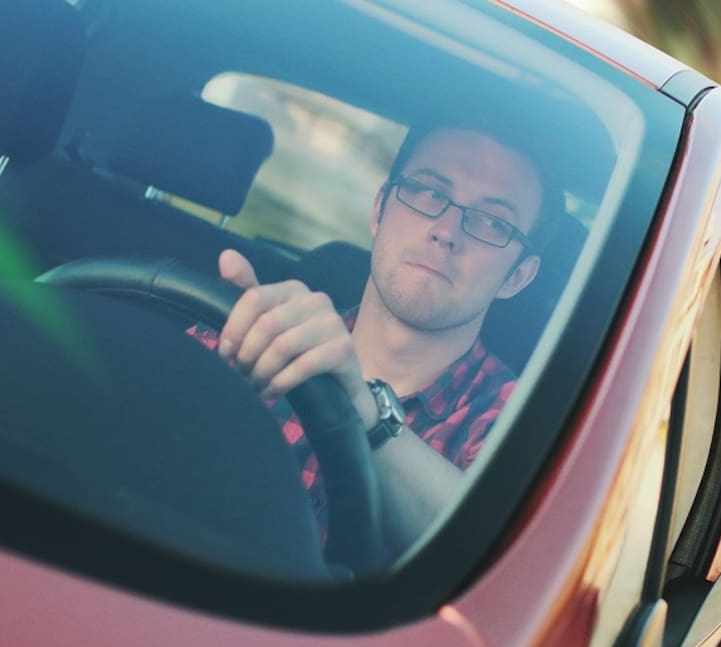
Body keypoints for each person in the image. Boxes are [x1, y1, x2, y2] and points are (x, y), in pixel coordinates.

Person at [195, 120, 560, 558]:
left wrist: (366, 411)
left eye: (492, 222)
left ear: (517, 276)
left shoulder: (525, 426)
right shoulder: (257, 330)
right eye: (429, 193)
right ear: (379, 210)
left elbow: (495, 562)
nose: (447, 230)